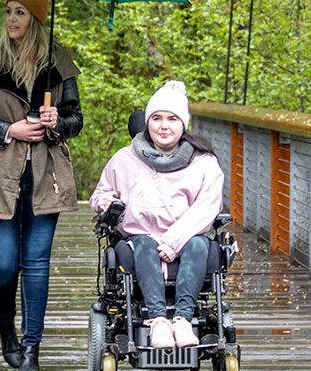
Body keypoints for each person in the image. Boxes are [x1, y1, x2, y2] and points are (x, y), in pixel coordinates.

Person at [0, 0, 84, 371]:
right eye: (9, 11)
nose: (11, 19)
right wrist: (9, 129)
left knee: (35, 265)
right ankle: (7, 334)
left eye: (20, 13)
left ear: (36, 20)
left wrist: (55, 124)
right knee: (2, 265)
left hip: (45, 176)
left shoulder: (58, 62)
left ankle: (31, 348)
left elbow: (75, 119)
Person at [89, 80, 225, 349]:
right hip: (139, 238)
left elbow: (207, 207)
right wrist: (107, 202)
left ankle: (183, 320)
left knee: (200, 244)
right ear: (147, 123)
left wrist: (173, 241)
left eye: (173, 119)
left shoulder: (204, 162)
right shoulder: (124, 158)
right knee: (142, 243)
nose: (164, 126)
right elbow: (99, 194)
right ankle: (159, 321)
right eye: (157, 118)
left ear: (183, 124)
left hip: (185, 238)